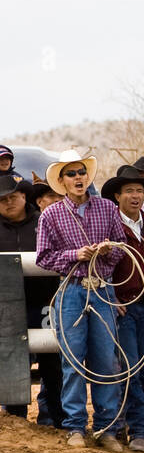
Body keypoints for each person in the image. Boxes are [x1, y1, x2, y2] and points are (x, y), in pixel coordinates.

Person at [34, 151, 127, 451]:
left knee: (105, 362)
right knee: (73, 362)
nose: (78, 178)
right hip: (72, 289)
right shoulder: (51, 215)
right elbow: (44, 257)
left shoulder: (108, 208)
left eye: (81, 172)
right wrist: (75, 255)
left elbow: (122, 247)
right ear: (61, 181)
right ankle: (75, 427)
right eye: (71, 174)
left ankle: (106, 429)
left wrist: (106, 251)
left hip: (102, 290)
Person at [103, 164, 144, 453]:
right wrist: (112, 296)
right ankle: (139, 429)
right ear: (117, 196)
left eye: (139, 190)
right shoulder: (110, 226)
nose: (135, 195)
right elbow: (103, 266)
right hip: (124, 306)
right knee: (130, 369)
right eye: (128, 190)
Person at [0, 176, 64, 428]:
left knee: (52, 361)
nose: (8, 203)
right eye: (2, 200)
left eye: (12, 197)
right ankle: (14, 419)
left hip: (46, 300)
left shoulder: (44, 222)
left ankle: (53, 417)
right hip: (7, 304)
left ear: (25, 196)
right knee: (12, 359)